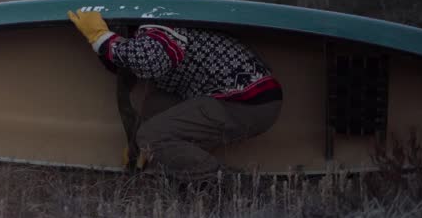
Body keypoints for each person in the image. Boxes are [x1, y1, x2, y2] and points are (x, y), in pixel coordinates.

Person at [67, 10, 283, 176]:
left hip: (248, 101)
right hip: (239, 96)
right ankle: (172, 170)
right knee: (156, 105)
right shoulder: (160, 26)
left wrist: (101, 38)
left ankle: (221, 186)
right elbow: (134, 68)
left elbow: (149, 61)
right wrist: (135, 145)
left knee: (151, 136)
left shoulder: (158, 27)